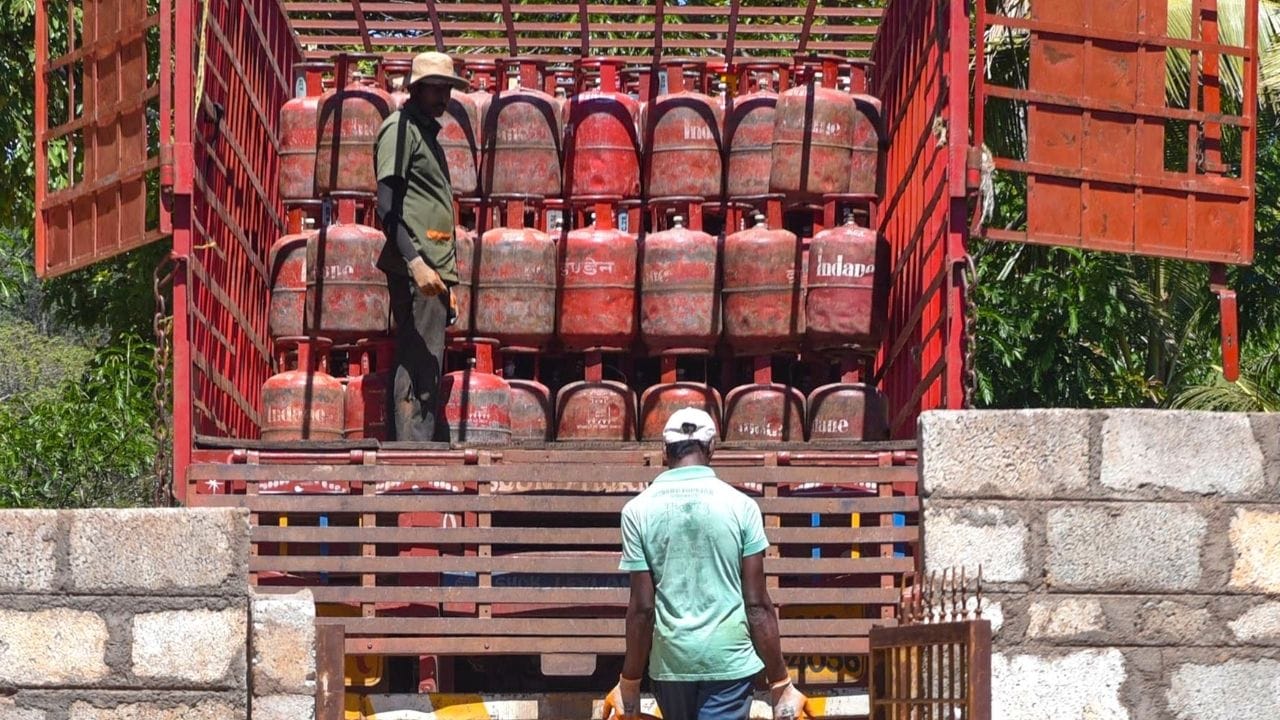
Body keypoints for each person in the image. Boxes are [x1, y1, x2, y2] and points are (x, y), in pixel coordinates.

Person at [604, 407, 810, 720]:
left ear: (664, 450)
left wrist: (629, 682)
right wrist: (780, 682)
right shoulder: (742, 507)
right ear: (712, 447)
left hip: (671, 666)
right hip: (729, 662)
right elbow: (756, 605)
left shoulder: (637, 511)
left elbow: (642, 609)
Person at [374, 51, 468, 441]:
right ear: (416, 88)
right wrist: (415, 263)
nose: (443, 96)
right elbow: (386, 205)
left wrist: (447, 282)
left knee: (427, 361)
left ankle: (419, 449)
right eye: (435, 88)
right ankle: (412, 454)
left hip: (434, 270)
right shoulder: (399, 129)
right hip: (418, 266)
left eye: (447, 88)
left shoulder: (426, 134)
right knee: (418, 364)